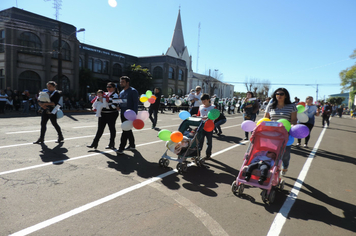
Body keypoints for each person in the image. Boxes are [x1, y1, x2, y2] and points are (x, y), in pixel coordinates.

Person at [264, 88, 297, 175]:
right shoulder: (270, 106)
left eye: (281, 94)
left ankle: (285, 166)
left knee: (285, 154)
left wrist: (292, 126)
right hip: (272, 133)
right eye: (277, 94)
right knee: (271, 153)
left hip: (285, 133)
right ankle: (271, 169)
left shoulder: (292, 106)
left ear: (286, 95)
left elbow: (293, 120)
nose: (279, 95)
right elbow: (266, 119)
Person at [87, 82, 120, 149]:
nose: (108, 88)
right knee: (100, 129)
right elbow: (98, 100)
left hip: (111, 114)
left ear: (114, 88)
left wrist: (105, 103)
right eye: (107, 87)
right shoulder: (105, 93)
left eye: (109, 87)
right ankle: (94, 143)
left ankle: (111, 144)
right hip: (103, 113)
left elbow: (115, 105)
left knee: (112, 129)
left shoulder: (116, 95)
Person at [116, 76, 139, 154]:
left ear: (127, 83)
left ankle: (121, 148)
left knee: (125, 131)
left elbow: (136, 103)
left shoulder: (133, 91)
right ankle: (132, 145)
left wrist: (135, 115)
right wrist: (118, 105)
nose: (121, 83)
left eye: (122, 82)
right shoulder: (122, 92)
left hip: (130, 115)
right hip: (122, 113)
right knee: (127, 130)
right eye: (120, 82)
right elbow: (121, 101)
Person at [196, 93, 215, 160]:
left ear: (208, 100)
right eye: (202, 101)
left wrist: (209, 117)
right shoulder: (200, 107)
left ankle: (208, 155)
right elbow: (198, 115)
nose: (203, 102)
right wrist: (195, 116)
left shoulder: (213, 107)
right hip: (201, 126)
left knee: (209, 142)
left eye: (205, 101)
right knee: (199, 141)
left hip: (209, 127)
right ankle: (197, 155)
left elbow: (215, 116)